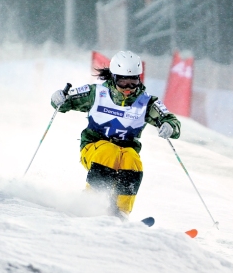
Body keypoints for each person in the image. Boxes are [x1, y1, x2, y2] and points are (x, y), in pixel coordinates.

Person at [50, 51, 181, 221]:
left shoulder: (146, 102)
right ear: (113, 78)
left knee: (132, 159)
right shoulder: (96, 93)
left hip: (124, 152)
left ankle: (120, 212)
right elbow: (64, 102)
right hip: (94, 149)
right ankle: (90, 202)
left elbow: (171, 120)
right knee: (109, 151)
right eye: (122, 82)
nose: (128, 88)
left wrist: (170, 126)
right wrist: (59, 98)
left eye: (132, 83)